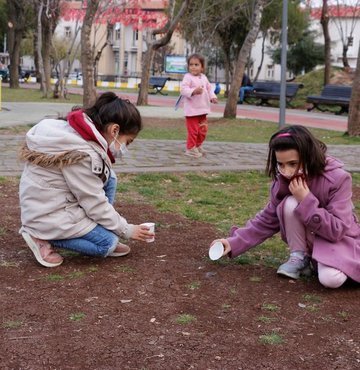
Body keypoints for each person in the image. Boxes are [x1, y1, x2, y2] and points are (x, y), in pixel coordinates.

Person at [209, 125, 360, 289]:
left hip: (337, 239)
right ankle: (299, 257)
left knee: (330, 279)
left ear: (308, 156)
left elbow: (338, 229)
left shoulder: (338, 178)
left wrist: (306, 200)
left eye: (293, 163)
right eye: (281, 164)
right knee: (289, 203)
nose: (287, 172)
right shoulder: (282, 181)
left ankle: (328, 261)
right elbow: (267, 220)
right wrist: (233, 243)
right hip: (311, 239)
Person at [19, 92, 154, 268]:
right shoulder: (84, 155)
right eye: (127, 142)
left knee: (109, 177)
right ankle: (40, 235)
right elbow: (94, 203)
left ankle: (96, 228)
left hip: (46, 202)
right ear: (114, 130)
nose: (124, 149)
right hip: (47, 215)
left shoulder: (72, 130)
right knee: (107, 244)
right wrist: (126, 229)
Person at [180, 53, 218, 158]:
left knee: (203, 130)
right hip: (192, 111)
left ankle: (198, 145)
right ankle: (191, 148)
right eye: (191, 64)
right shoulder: (187, 77)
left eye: (196, 64)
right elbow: (183, 90)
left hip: (203, 110)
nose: (193, 67)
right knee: (193, 131)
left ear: (202, 67)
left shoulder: (204, 78)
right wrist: (193, 91)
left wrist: (212, 97)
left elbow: (209, 89)